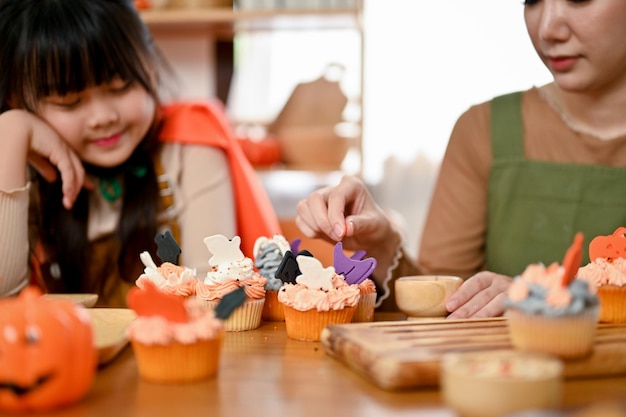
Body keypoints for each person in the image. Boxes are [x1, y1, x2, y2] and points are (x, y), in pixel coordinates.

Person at [295, 0, 626, 317]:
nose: (548, 29)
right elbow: (446, 303)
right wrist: (381, 245)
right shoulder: (484, 129)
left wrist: (538, 297)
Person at [0, 0, 280, 306]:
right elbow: (5, 302)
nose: (103, 117)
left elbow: (212, 297)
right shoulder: (17, 158)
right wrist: (11, 132)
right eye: (68, 102)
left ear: (149, 64)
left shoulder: (188, 149)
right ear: (16, 99)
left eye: (120, 87)